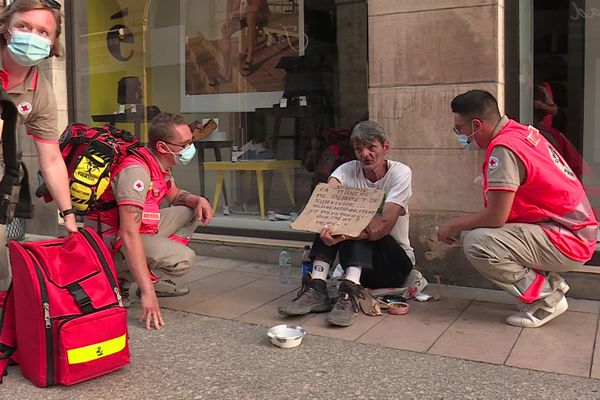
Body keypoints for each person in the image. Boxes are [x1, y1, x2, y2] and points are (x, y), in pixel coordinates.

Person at [439, 90, 598, 328]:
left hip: (569, 238)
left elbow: (496, 217)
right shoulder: (521, 132)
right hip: (574, 231)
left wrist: (451, 225)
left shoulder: (504, 148)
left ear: (476, 124)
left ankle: (548, 299)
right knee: (481, 235)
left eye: (459, 129)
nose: (461, 136)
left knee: (477, 242)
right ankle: (549, 283)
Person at [278, 120, 415, 327]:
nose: (365, 154)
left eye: (371, 148)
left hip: (394, 264)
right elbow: (325, 200)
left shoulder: (400, 173)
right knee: (332, 219)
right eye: (359, 149)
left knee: (356, 227)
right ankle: (317, 286)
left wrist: (352, 229)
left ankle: (350, 292)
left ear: (385, 148)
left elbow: (385, 224)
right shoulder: (346, 170)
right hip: (359, 266)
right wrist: (330, 225)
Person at [85, 113, 213, 330]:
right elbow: (128, 234)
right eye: (185, 144)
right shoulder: (136, 172)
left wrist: (198, 200)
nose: (190, 148)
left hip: (137, 230)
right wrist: (147, 293)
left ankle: (145, 272)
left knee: (191, 211)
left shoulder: (157, 163)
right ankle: (120, 281)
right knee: (183, 259)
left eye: (191, 141)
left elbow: (174, 194)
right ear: (163, 146)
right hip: (110, 243)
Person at [0, 0, 77, 292]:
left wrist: (68, 216)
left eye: (43, 31)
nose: (32, 35)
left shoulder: (40, 91)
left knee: (2, 270)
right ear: (7, 30)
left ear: (53, 42)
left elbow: (52, 159)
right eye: (23, 26)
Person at [211, 0, 270, 85]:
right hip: (245, 14)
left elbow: (256, 7)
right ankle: (226, 72)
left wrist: (236, 13)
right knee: (226, 31)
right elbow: (231, 9)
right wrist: (228, 21)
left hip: (261, 14)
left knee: (250, 17)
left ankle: (249, 59)